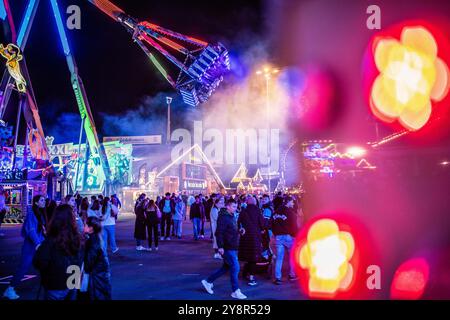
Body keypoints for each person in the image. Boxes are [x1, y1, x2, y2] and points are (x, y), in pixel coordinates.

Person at [33, 204, 84, 300]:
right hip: (73, 280)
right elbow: (81, 259)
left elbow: (39, 262)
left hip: (56, 283)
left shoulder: (51, 240)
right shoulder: (78, 238)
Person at [201, 199, 247, 300]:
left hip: (232, 245)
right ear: (228, 207)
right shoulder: (224, 217)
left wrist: (239, 231)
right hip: (228, 247)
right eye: (234, 207)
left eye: (236, 206)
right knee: (235, 267)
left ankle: (208, 281)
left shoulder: (230, 216)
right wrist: (220, 247)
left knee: (226, 267)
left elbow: (230, 230)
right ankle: (235, 291)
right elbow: (219, 233)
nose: (236, 208)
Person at [3, 195, 46, 300]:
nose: (44, 201)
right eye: (42, 200)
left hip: (37, 244)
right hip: (31, 245)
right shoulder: (32, 213)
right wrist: (38, 244)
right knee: (23, 267)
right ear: (36, 202)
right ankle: (10, 289)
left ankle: (46, 287)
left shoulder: (39, 213)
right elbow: (31, 230)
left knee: (44, 265)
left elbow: (39, 230)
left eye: (44, 200)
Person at [238, 196, 265, 286]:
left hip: (245, 237)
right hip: (255, 237)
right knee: (254, 257)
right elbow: (262, 223)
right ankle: (251, 278)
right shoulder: (257, 211)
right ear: (255, 202)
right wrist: (262, 229)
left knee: (248, 256)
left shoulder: (243, 211)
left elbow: (238, 222)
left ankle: (245, 273)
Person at [271, 196, 298, 285]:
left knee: (279, 257)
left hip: (278, 236)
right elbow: (294, 226)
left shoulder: (276, 211)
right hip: (287, 236)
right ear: (288, 202)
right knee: (292, 256)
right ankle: (292, 274)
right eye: (292, 202)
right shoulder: (290, 212)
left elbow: (272, 224)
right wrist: (295, 236)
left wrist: (275, 234)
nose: (293, 203)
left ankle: (278, 278)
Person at [83, 217, 112, 300]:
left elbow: (88, 264)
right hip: (101, 275)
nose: (83, 226)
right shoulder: (96, 237)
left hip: (98, 278)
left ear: (90, 228)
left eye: (85, 225)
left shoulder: (93, 241)